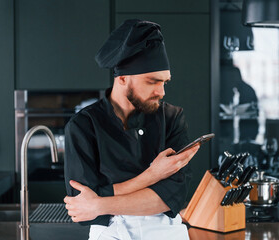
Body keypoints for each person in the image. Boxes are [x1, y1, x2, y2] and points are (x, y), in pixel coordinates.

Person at [63, 19, 200, 240]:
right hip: (110, 232)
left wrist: (100, 203)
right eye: (152, 82)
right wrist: (152, 175)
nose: (162, 91)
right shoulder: (83, 126)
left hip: (165, 232)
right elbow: (82, 209)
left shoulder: (172, 118)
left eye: (165, 82)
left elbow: (172, 195)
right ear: (123, 78)